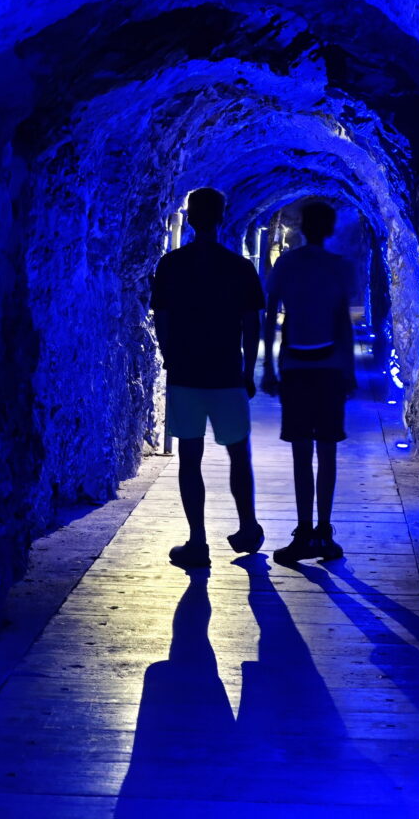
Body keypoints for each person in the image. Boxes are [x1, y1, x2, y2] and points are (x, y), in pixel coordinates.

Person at [152, 187, 265, 569]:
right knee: (238, 456)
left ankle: (197, 541)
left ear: (190, 216)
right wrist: (248, 371)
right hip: (226, 373)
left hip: (186, 372)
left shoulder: (171, 265)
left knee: (189, 457)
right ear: (221, 217)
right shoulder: (239, 268)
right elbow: (252, 325)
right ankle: (247, 527)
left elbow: (162, 319)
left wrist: (170, 358)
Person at [261, 200, 355, 564]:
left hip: (297, 367)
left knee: (302, 452)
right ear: (329, 230)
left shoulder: (286, 264)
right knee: (327, 451)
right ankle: (324, 532)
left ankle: (304, 531)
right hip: (330, 366)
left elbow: (271, 317)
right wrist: (347, 371)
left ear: (300, 227)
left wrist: (268, 366)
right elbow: (342, 323)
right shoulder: (338, 268)